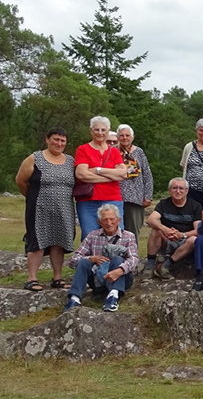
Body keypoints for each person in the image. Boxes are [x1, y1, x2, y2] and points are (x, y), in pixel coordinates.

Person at [15, 127, 75, 292]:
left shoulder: (70, 161)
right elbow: (20, 180)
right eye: (55, 139)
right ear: (47, 140)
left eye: (62, 140)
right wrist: (32, 197)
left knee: (59, 241)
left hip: (64, 209)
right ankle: (31, 278)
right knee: (37, 241)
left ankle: (57, 277)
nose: (59, 143)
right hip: (39, 208)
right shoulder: (35, 158)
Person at [63, 204, 138, 313]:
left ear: (118, 220)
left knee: (117, 259)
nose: (109, 223)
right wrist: (91, 258)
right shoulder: (92, 236)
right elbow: (73, 260)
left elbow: (134, 259)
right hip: (98, 280)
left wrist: (120, 270)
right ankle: (75, 298)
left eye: (112, 219)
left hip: (121, 279)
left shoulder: (128, 236)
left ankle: (114, 296)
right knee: (84, 262)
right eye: (105, 220)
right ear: (99, 222)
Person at [74, 116, 127, 241]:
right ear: (91, 131)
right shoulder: (83, 149)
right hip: (88, 200)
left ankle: (116, 261)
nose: (100, 133)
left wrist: (98, 170)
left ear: (108, 132)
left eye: (103, 130)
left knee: (116, 234)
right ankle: (91, 260)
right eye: (96, 129)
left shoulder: (114, 152)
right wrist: (112, 177)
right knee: (89, 235)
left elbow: (123, 174)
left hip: (112, 198)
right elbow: (81, 174)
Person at [142, 178, 202, 280]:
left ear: (187, 191)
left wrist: (182, 235)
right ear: (169, 190)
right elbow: (150, 219)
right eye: (174, 188)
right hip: (167, 238)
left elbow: (198, 230)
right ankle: (150, 266)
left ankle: (165, 266)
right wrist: (165, 230)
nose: (178, 191)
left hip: (185, 241)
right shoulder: (163, 204)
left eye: (181, 188)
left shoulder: (195, 206)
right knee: (156, 230)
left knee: (194, 240)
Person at [116, 124, 153, 242]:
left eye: (127, 135)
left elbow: (147, 174)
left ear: (132, 137)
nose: (124, 138)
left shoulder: (139, 152)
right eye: (121, 135)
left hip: (136, 198)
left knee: (132, 232)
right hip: (117, 196)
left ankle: (132, 257)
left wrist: (148, 196)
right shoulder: (113, 151)